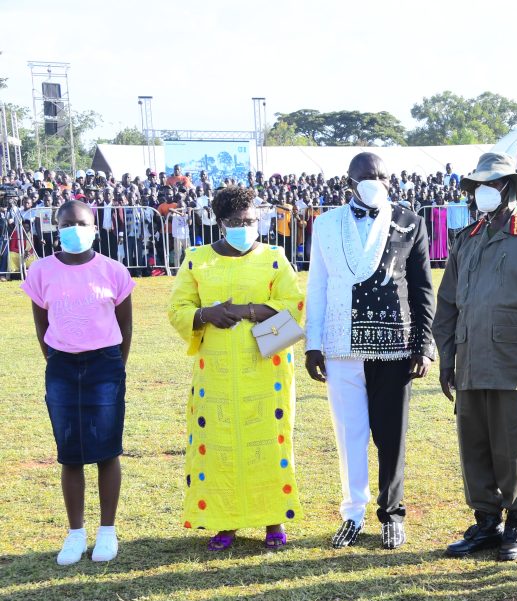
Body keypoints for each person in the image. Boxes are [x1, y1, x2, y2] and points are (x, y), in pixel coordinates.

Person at [433, 152, 517, 562]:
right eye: (478, 186)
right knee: (474, 445)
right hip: (471, 360)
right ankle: (487, 522)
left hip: (516, 364)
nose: (484, 192)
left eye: (492, 184)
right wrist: (446, 360)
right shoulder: (466, 238)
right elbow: (448, 304)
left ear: (511, 188)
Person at [305, 152, 435, 550]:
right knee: (349, 434)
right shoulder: (325, 225)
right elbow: (318, 284)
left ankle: (392, 514)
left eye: (380, 175)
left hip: (394, 345)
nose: (373, 181)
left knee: (391, 434)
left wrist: (423, 345)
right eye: (366, 176)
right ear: (349, 181)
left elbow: (423, 287)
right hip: (341, 343)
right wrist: (314, 344)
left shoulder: (410, 222)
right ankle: (353, 513)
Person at [168, 186, 306, 551]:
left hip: (266, 369)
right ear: (220, 222)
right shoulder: (197, 260)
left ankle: (273, 520)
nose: (245, 227)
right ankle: (223, 522)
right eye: (236, 221)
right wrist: (205, 314)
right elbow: (178, 308)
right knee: (218, 444)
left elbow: (294, 305)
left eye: (251, 221)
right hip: (215, 375)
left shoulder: (275, 258)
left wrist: (247, 311)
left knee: (269, 440)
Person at [22, 200, 134, 565]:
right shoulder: (41, 271)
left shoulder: (113, 270)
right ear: (57, 227)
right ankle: (75, 533)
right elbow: (41, 323)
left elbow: (126, 325)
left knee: (107, 449)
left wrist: (117, 364)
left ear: (94, 226)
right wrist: (55, 358)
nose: (75, 229)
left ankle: (107, 531)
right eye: (67, 223)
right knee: (69, 452)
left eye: (81, 222)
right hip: (62, 366)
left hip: (105, 363)